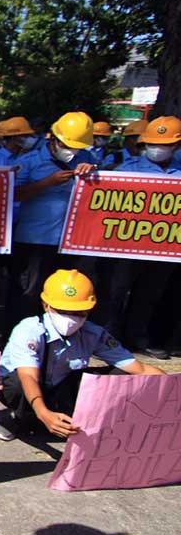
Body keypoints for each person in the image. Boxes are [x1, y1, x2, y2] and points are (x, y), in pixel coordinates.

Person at [0, 269, 165, 441]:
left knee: (122, 375)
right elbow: (28, 376)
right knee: (18, 384)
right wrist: (43, 413)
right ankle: (18, 416)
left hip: (61, 388)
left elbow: (139, 369)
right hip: (19, 386)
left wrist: (173, 390)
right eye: (63, 311)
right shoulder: (29, 329)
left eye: (79, 312)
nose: (71, 318)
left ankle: (77, 417)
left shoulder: (93, 334)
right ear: (46, 305)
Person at [90, 116, 180, 359]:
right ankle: (108, 340)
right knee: (116, 292)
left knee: (150, 293)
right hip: (126, 246)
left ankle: (138, 337)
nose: (157, 148)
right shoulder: (126, 170)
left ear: (176, 146)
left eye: (163, 144)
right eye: (151, 143)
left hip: (165, 247)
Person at [4, 112, 97, 331]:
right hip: (34, 240)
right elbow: (11, 195)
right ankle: (18, 338)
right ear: (53, 139)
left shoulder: (87, 159)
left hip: (71, 242)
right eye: (67, 145)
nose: (71, 151)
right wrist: (46, 183)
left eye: (76, 147)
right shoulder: (29, 162)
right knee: (28, 295)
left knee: (65, 294)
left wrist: (94, 172)